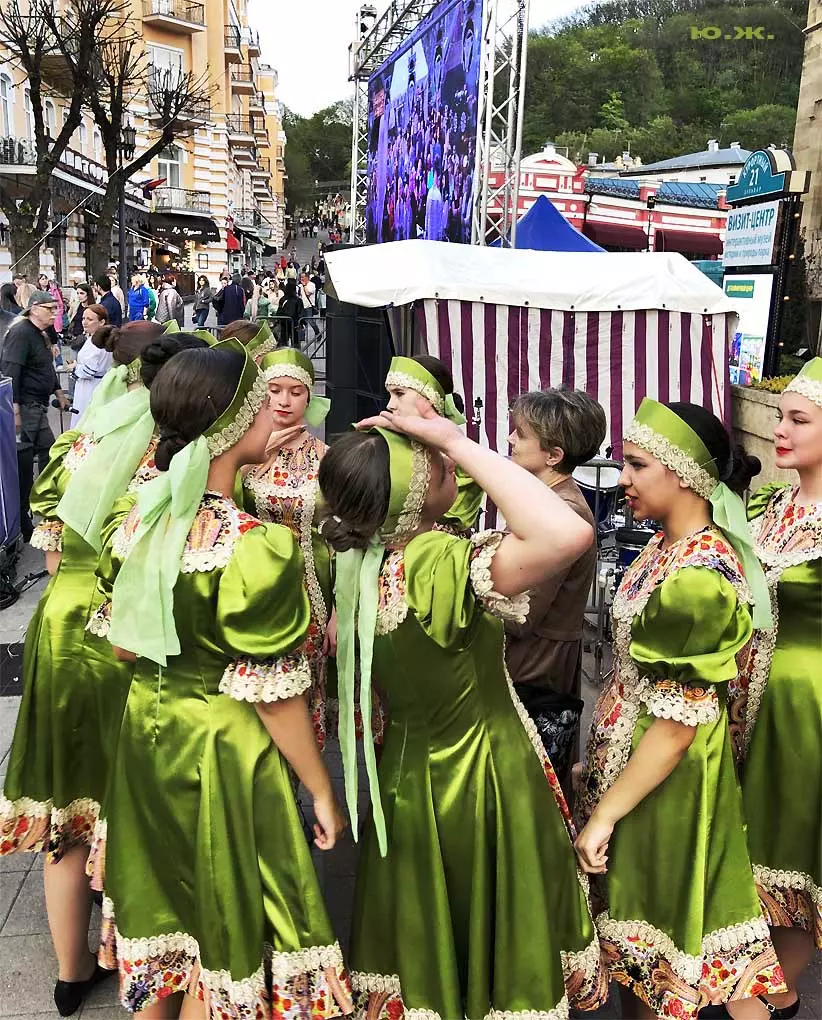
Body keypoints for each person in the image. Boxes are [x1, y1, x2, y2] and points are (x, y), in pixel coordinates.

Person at [317, 407, 605, 1018]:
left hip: (404, 778)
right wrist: (452, 437)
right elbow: (567, 534)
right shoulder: (436, 562)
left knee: (431, 933)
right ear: (416, 492)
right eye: (439, 464)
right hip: (484, 775)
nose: (451, 463)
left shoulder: (360, 562)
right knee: (495, 931)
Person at [92, 342, 352, 1018]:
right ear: (234, 425)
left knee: (163, 924)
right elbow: (275, 699)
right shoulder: (255, 546)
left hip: (147, 737)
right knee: (224, 938)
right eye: (261, 403)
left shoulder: (137, 521)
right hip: (225, 751)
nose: (274, 413)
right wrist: (321, 789)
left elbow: (121, 650)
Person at [0, 326, 206, 1018]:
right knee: (132, 806)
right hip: (127, 634)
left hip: (60, 628)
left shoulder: (81, 440)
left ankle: (69, 971)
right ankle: (144, 971)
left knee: (69, 800)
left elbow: (54, 554)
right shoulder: (176, 457)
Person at [574, 398, 785, 1020]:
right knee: (653, 956)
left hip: (664, 781)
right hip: (640, 769)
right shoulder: (668, 547)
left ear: (686, 472)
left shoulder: (696, 577)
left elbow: (674, 727)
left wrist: (605, 815)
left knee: (659, 951)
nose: (623, 479)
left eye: (638, 465)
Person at [729, 357, 822, 1019]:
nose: (779, 430)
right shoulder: (772, 505)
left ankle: (769, 997)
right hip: (751, 705)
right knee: (753, 856)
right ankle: (769, 996)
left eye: (798, 419)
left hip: (807, 711)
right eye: (780, 416)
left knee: (796, 855)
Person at [505, 388, 607, 792]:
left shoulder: (562, 510)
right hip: (538, 661)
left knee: (527, 787)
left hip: (535, 668)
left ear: (554, 455)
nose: (510, 439)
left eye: (520, 434)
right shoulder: (548, 498)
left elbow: (521, 613)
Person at [241, 348, 333, 748]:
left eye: (295, 392)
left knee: (303, 691)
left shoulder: (326, 459)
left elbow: (343, 536)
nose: (284, 400)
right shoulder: (243, 451)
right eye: (275, 390)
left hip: (310, 597)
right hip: (253, 594)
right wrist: (254, 457)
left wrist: (340, 611)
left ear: (309, 397)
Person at [384, 354, 483, 532]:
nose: (390, 405)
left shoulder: (464, 464)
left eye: (399, 393)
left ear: (430, 398)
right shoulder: (383, 446)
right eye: (390, 395)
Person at [0, 291, 70, 541]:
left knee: (49, 454)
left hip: (37, 406)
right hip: (26, 407)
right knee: (25, 463)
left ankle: (42, 504)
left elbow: (46, 367)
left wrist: (58, 391)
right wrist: (15, 410)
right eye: (49, 309)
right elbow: (11, 371)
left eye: (55, 308)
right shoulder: (21, 333)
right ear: (34, 308)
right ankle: (23, 518)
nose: (54, 313)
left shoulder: (41, 333)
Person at [68, 303, 113, 427]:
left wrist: (75, 367)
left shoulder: (97, 343)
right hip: (94, 385)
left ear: (102, 322)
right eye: (83, 318)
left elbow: (89, 371)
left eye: (90, 319)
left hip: (91, 388)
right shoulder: (98, 339)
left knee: (86, 420)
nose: (85, 322)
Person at [276, 278, 303, 347]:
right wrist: (301, 323)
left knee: (283, 341)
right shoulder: (298, 300)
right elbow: (300, 312)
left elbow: (279, 311)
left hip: (284, 323)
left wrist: (278, 320)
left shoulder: (283, 299)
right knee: (296, 341)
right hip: (294, 323)